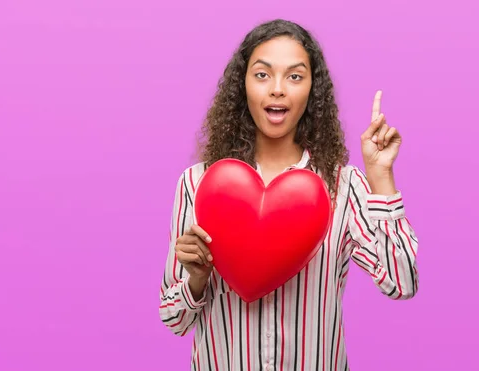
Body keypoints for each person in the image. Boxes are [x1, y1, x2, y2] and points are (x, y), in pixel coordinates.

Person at [158, 19, 419, 371]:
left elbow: (401, 283)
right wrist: (197, 278)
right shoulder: (197, 183)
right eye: (262, 74)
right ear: (243, 85)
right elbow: (174, 319)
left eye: (295, 76)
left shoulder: (343, 185)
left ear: (312, 91)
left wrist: (381, 177)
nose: (277, 89)